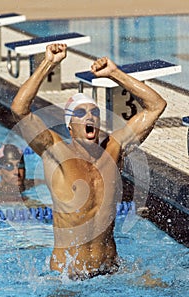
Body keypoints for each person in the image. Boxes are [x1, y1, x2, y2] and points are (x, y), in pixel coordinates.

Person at [11, 43, 167, 280]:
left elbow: (156, 106)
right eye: (81, 114)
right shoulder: (55, 151)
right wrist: (49, 63)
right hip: (68, 277)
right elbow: (20, 110)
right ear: (70, 127)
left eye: (94, 112)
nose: (90, 117)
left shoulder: (114, 150)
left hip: (111, 270)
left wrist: (115, 73)